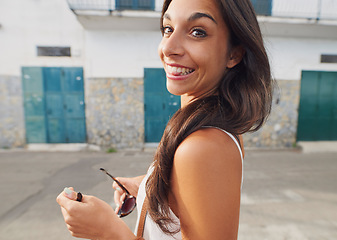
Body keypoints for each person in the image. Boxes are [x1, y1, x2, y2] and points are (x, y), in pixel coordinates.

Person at [56, 0, 273, 239]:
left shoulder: (203, 147)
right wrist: (146, 187)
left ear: (234, 53)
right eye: (168, 28)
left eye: (197, 32)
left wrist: (107, 230)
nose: (168, 47)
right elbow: (191, 196)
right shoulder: (209, 128)